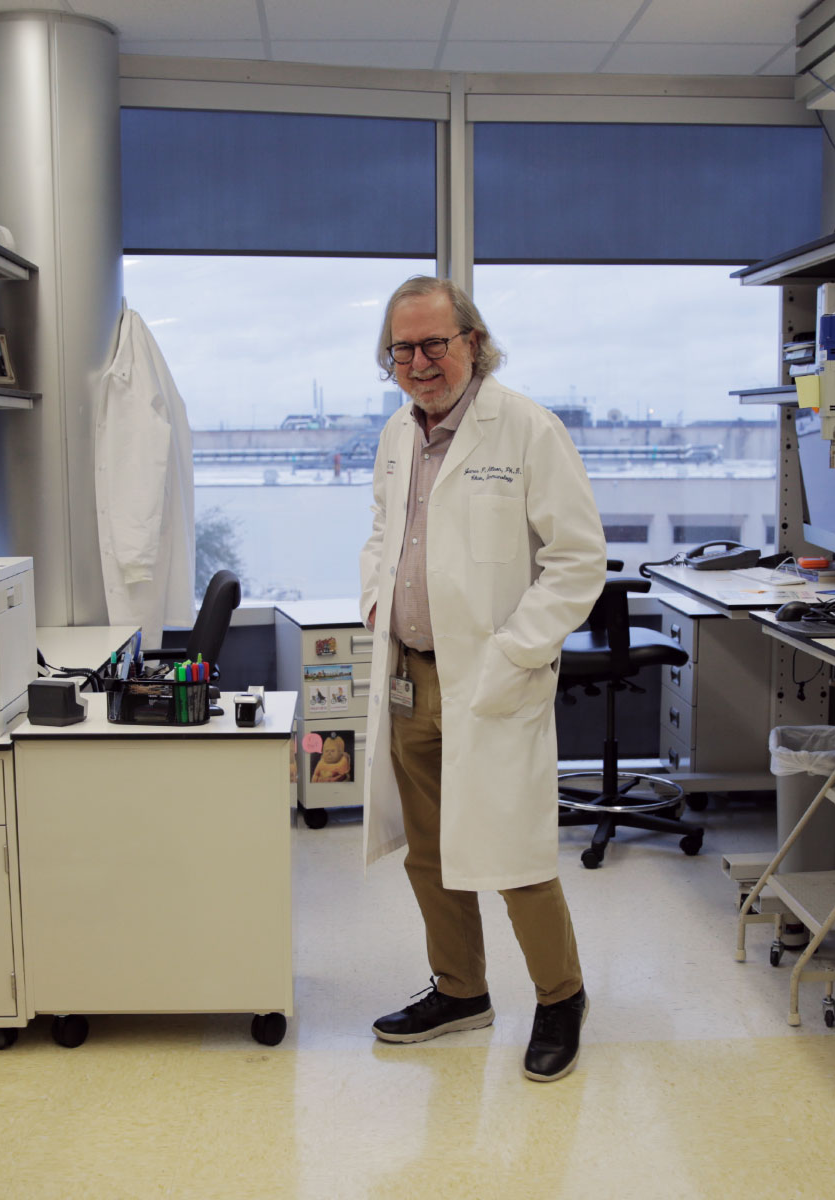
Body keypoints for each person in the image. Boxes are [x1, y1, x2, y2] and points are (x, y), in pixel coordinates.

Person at [356, 276, 607, 1083]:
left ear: (472, 340)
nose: (420, 362)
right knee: (428, 852)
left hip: (493, 680)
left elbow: (578, 561)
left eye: (435, 343)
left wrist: (513, 653)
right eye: (403, 348)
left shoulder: (527, 429)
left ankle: (561, 996)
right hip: (409, 678)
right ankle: (461, 990)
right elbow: (382, 533)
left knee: (513, 854)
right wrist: (376, 599)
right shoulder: (398, 433)